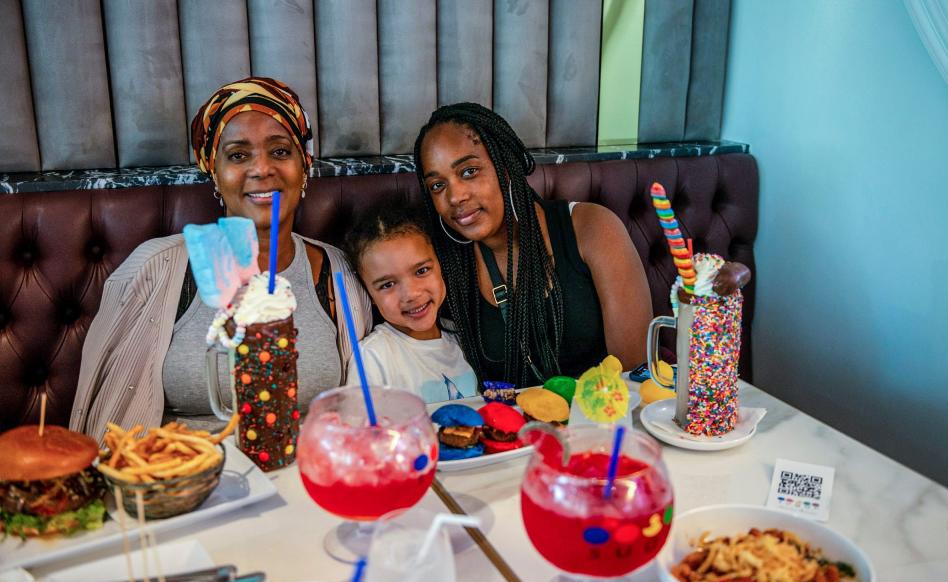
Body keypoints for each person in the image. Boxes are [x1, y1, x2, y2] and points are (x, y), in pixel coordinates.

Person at [70, 77, 371, 437]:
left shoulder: (338, 272)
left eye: (279, 151)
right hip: (185, 480)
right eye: (238, 155)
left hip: (304, 480)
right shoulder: (156, 268)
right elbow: (103, 421)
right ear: (214, 170)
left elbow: (360, 412)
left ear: (304, 165)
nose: (261, 169)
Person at [413, 103, 655, 388]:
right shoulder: (444, 264)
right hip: (507, 429)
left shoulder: (592, 229)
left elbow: (634, 377)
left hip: (602, 423)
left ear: (505, 168)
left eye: (469, 171)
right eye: (437, 186)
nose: (454, 197)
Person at [343, 203, 478, 403]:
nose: (411, 294)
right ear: (369, 294)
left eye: (421, 271)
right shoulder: (373, 358)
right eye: (387, 284)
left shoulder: (465, 338)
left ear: (440, 264)